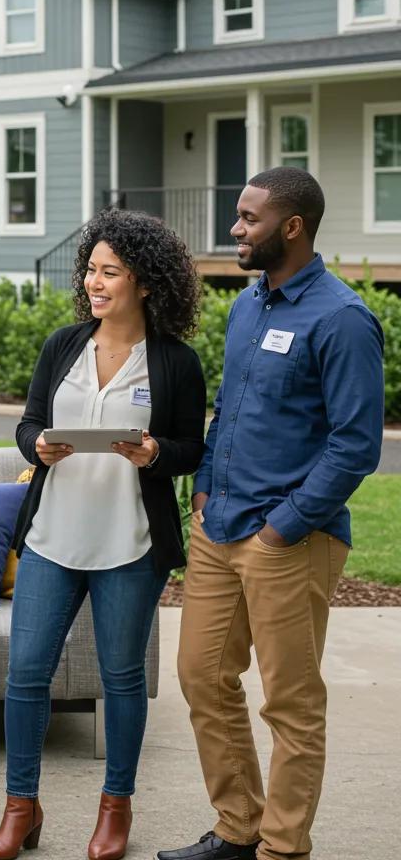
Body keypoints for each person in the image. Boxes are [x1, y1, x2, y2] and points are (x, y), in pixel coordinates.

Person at [158, 168, 383, 860]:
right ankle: (237, 825)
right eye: (237, 215)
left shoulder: (342, 319)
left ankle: (282, 847)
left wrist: (286, 525)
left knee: (290, 703)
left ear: (292, 227)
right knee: (201, 677)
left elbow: (356, 445)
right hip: (220, 525)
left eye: (249, 219)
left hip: (290, 538)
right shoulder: (252, 306)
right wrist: (202, 488)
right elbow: (228, 408)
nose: (235, 229)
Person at [0, 210, 207, 860]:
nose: (94, 282)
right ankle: (19, 808)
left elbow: (193, 446)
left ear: (145, 282)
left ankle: (116, 810)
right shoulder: (63, 345)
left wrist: (157, 452)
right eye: (92, 270)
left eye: (110, 271)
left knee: (121, 679)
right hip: (53, 537)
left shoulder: (174, 362)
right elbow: (26, 423)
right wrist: (40, 445)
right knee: (25, 676)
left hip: (131, 545)